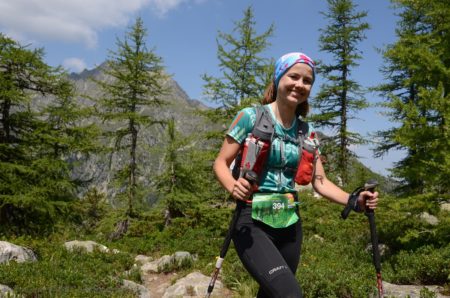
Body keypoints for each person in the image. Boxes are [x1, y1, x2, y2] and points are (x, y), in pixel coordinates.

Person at [213, 52, 379, 298]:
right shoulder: (250, 116)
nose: (300, 84)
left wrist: (355, 201)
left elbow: (320, 182)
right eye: (294, 76)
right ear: (279, 76)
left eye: (307, 81)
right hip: (251, 220)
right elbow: (220, 163)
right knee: (290, 294)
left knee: (271, 294)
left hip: (290, 224)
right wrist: (232, 185)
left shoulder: (307, 131)